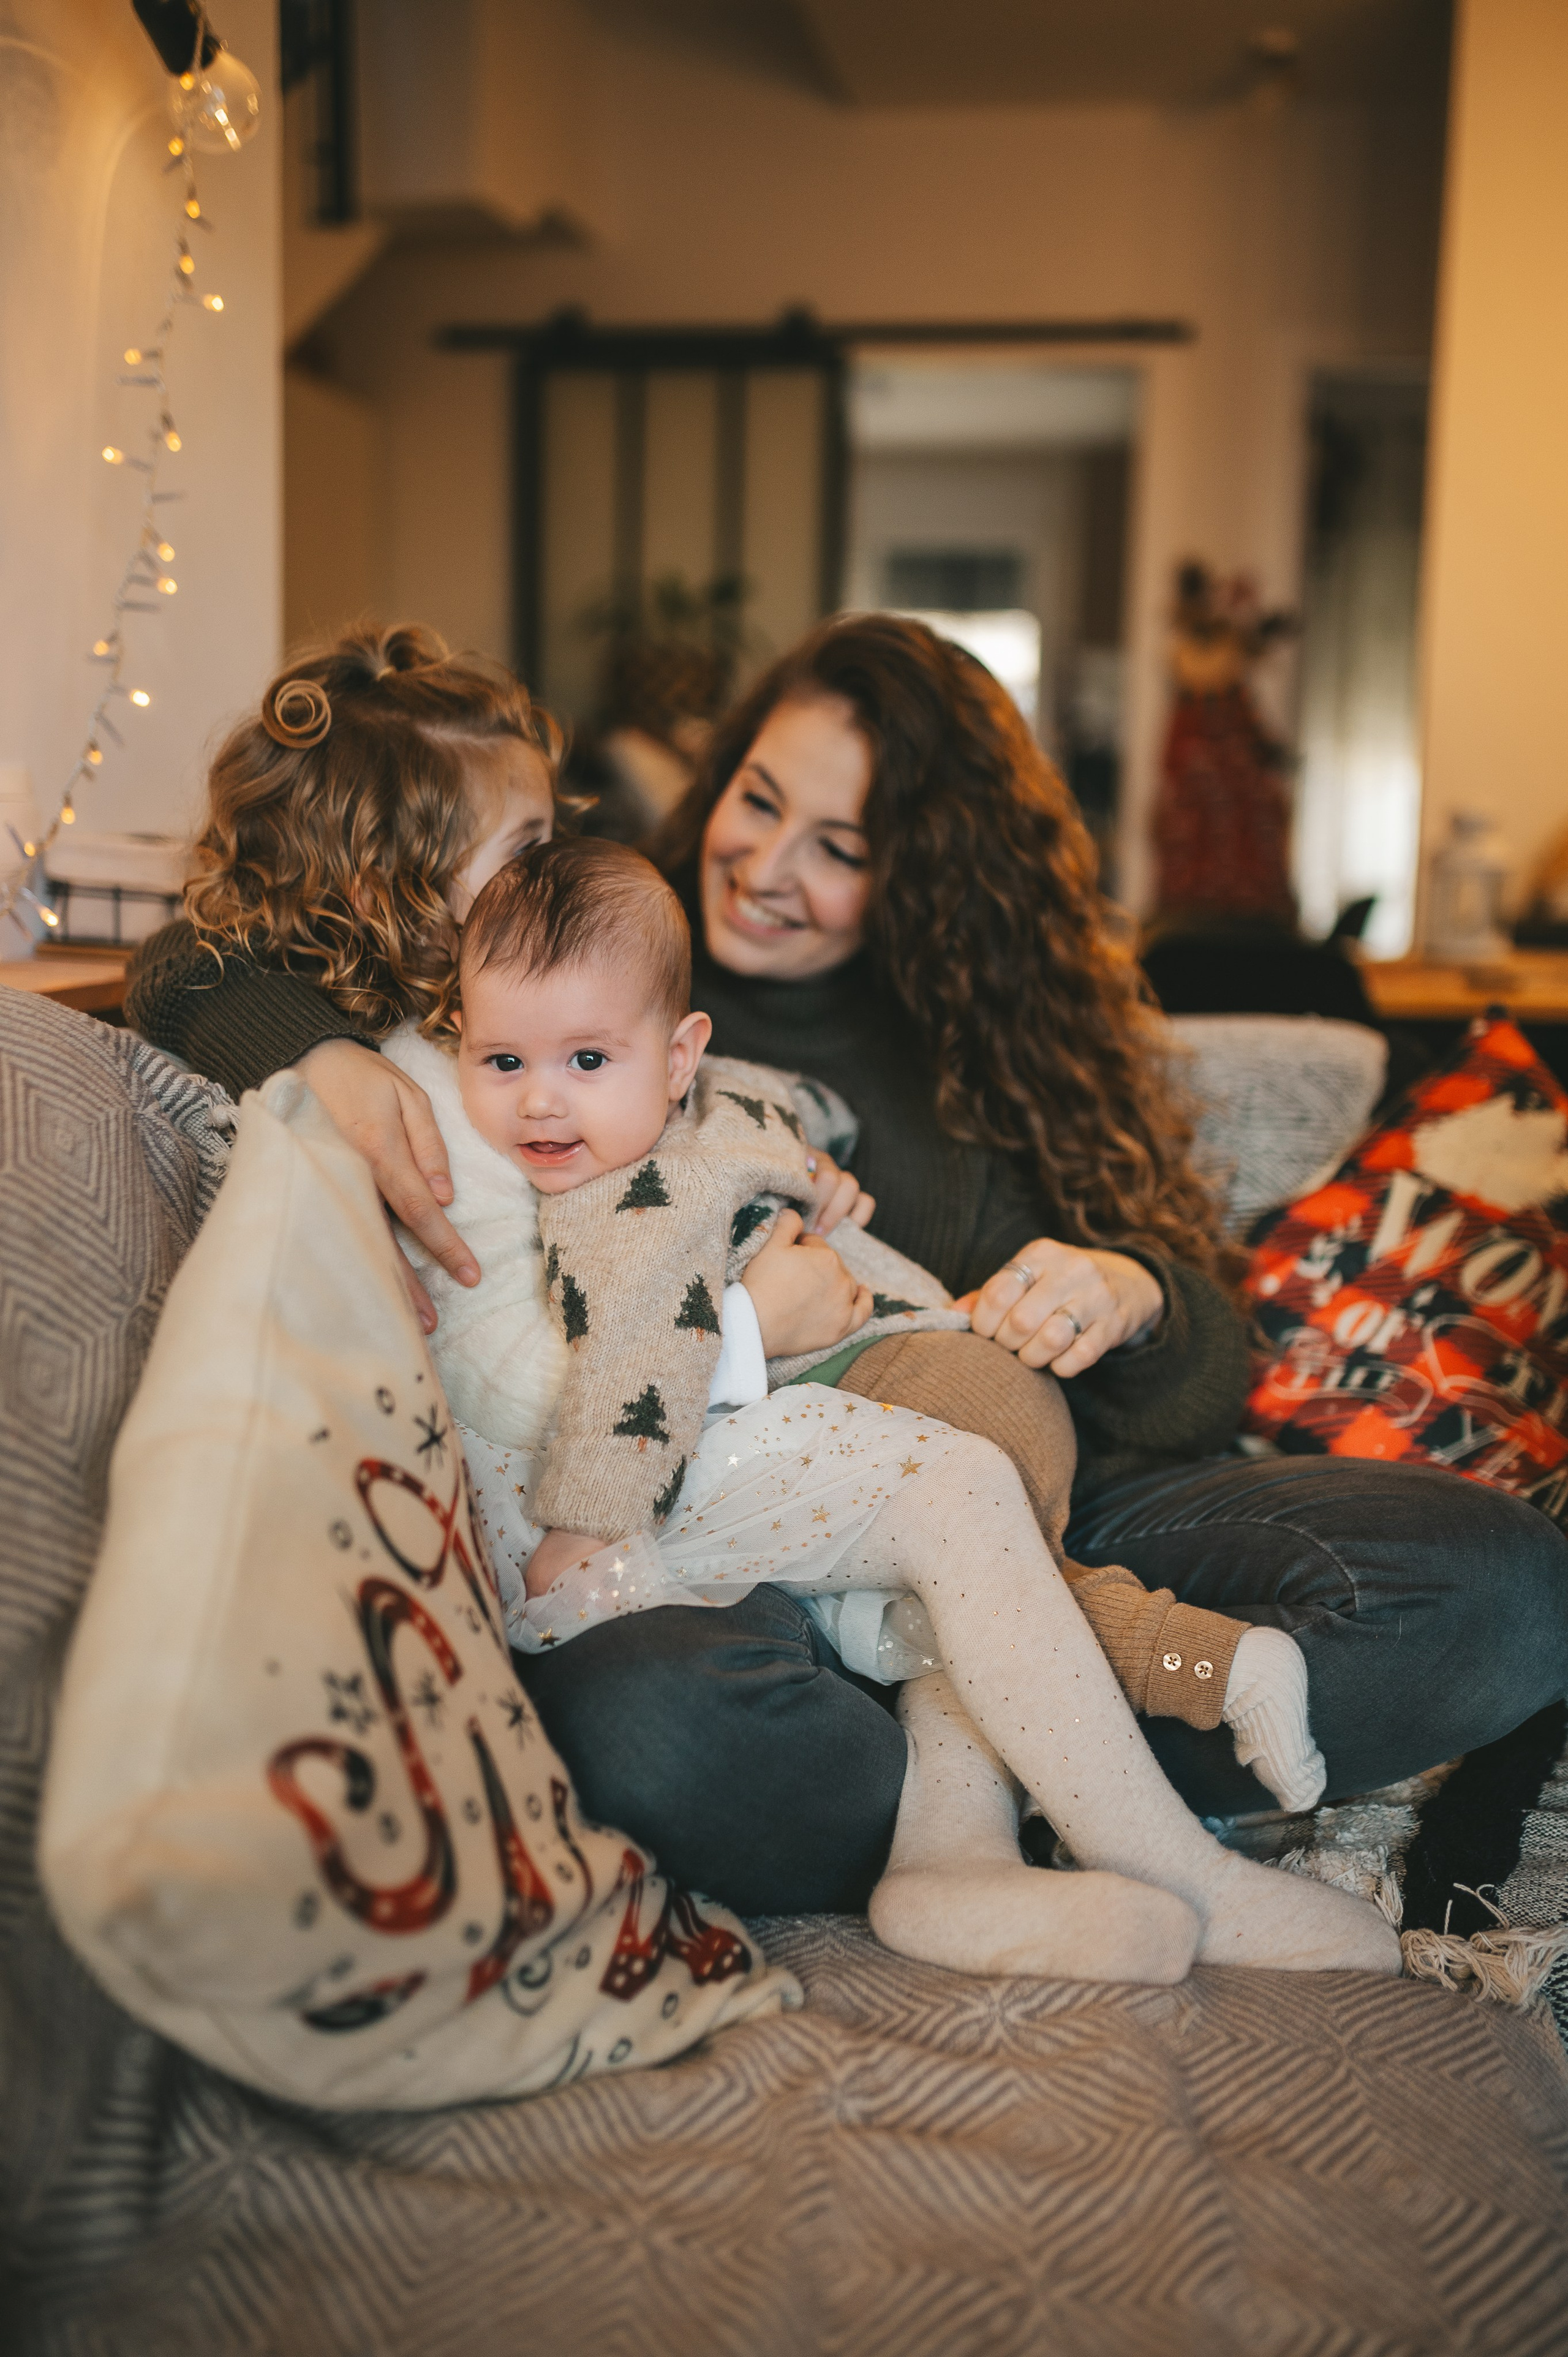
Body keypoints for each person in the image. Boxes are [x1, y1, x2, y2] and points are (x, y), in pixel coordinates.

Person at [127, 616, 1568, 1919]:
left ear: (929, 878)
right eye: (758, 800)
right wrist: (309, 1051)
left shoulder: (995, 1041)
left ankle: (1009, 1760)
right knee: (653, 1724)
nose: (765, 867)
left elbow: (1202, 1371)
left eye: (841, 844)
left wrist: (1123, 1290)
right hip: (725, 1531)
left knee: (1502, 1585)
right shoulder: (562, 945)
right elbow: (216, 940)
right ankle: (1045, 1774)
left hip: (1051, 1505)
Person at [376, 834, 1393, 1983]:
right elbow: (635, 1371)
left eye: (586, 1061)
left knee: (955, 1561)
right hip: (623, 1500)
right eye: (500, 1063)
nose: (541, 1103)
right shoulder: (625, 1199)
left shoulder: (708, 1110)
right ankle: (1167, 1853)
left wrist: (816, 1171)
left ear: (677, 1057)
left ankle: (957, 1861)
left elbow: (780, 1111)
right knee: (951, 1505)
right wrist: (588, 1520)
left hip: (837, 1412)